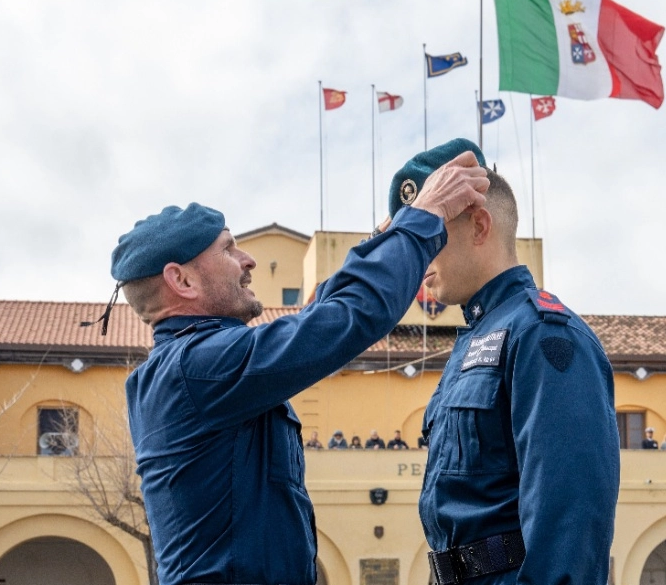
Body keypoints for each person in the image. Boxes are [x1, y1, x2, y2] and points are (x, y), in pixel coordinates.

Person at [109, 150, 489, 585]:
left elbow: (320, 313)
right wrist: (426, 215)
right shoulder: (198, 366)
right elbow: (348, 316)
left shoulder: (190, 364)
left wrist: (390, 234)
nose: (248, 260)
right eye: (228, 249)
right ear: (182, 281)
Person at [402, 139, 620, 584]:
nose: (419, 255)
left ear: (479, 226)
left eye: (431, 235)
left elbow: (570, 525)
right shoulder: (474, 340)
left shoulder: (543, 334)